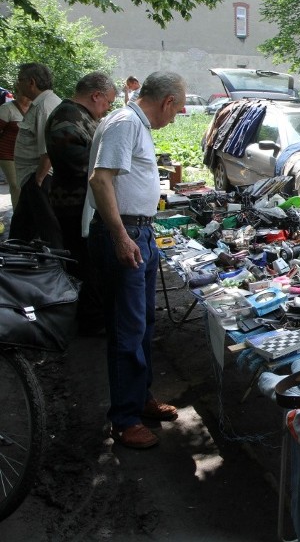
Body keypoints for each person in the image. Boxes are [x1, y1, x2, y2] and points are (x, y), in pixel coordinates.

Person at [86, 71, 186, 449]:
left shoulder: (136, 124)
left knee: (143, 323)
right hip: (125, 233)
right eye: (177, 110)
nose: (176, 117)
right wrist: (121, 236)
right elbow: (100, 180)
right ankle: (124, 419)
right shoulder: (126, 122)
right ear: (166, 103)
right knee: (127, 329)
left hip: (139, 232)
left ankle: (140, 398)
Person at [46, 72, 117, 335]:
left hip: (81, 203)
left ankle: (93, 316)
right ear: (95, 95)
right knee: (86, 266)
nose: (107, 108)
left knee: (90, 264)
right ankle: (91, 321)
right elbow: (78, 163)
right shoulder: (66, 118)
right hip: (73, 205)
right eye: (107, 102)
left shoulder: (77, 115)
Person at [9, 63, 62, 244]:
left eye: (20, 80)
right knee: (22, 226)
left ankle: (57, 267)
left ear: (31, 82)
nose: (18, 84)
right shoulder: (44, 102)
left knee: (47, 226)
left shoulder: (44, 106)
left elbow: (48, 149)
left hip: (39, 176)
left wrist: (38, 179)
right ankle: (14, 259)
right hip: (35, 176)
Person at [0, 82, 32, 201]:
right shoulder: (6, 109)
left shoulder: (35, 109)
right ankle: (17, 216)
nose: (26, 97)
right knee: (16, 186)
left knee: (28, 186)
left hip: (27, 154)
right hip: (8, 154)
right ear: (16, 93)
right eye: (22, 94)